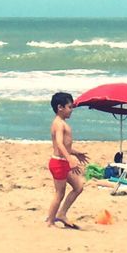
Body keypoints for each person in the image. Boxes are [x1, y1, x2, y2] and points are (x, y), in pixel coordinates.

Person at [46, 91, 89, 229]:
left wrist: (76, 153)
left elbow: (65, 145)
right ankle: (50, 221)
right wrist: (70, 159)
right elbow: (59, 143)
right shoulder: (58, 124)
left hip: (64, 161)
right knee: (59, 193)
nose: (71, 110)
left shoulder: (63, 123)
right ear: (60, 107)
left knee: (78, 187)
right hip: (59, 162)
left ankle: (62, 213)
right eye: (69, 107)